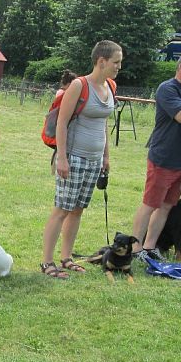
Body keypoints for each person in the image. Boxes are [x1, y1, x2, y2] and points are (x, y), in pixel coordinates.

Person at [40, 41, 120, 278]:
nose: (118, 67)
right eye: (116, 62)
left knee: (77, 210)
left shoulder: (111, 86)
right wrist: (62, 158)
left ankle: (66, 257)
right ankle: (47, 262)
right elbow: (62, 122)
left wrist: (105, 156)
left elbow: (104, 122)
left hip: (94, 159)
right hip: (73, 157)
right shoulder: (79, 85)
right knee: (62, 209)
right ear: (101, 61)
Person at [131, 51, 181, 262]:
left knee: (167, 206)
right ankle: (136, 248)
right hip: (163, 158)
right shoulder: (168, 89)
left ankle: (150, 247)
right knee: (150, 204)